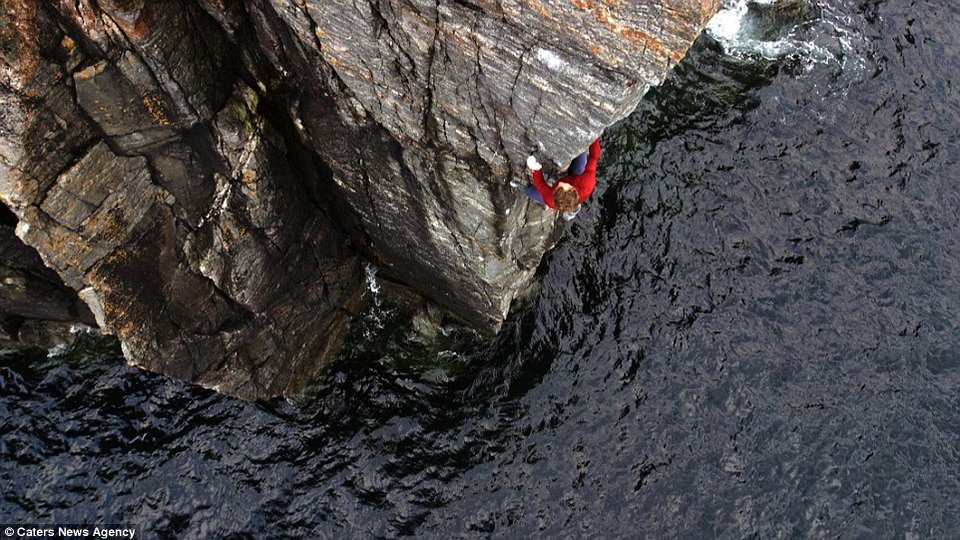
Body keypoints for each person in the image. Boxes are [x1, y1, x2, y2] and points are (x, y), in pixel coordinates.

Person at [524, 139, 601, 219]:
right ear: (572, 189)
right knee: (581, 147)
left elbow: (540, 184)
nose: (560, 183)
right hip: (576, 177)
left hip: (571, 182)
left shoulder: (551, 199)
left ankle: (571, 210)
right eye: (564, 186)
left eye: (558, 187)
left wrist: (535, 169)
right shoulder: (587, 184)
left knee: (528, 191)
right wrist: (593, 138)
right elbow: (594, 156)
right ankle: (573, 208)